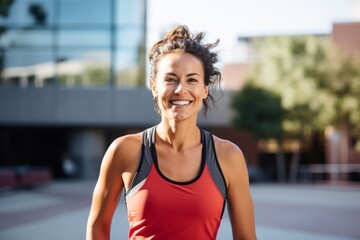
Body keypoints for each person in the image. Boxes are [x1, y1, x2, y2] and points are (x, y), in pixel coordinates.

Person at [86, 25, 257, 240]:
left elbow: (246, 237)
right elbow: (98, 227)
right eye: (170, 79)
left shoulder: (228, 156)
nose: (180, 89)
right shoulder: (124, 150)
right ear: (154, 86)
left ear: (205, 89)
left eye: (192, 80)